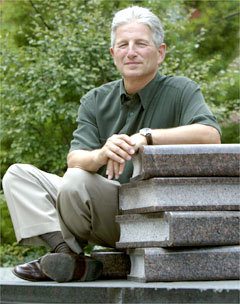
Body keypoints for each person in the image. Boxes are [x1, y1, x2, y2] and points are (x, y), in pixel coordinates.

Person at [2, 6, 221, 283]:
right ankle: (66, 254)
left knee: (76, 180)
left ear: (160, 52)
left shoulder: (183, 90)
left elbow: (210, 134)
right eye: (123, 45)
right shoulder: (95, 100)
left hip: (152, 215)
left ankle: (70, 261)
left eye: (141, 43)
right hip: (102, 209)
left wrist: (146, 137)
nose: (131, 51)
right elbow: (76, 158)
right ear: (113, 54)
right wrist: (102, 154)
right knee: (20, 175)